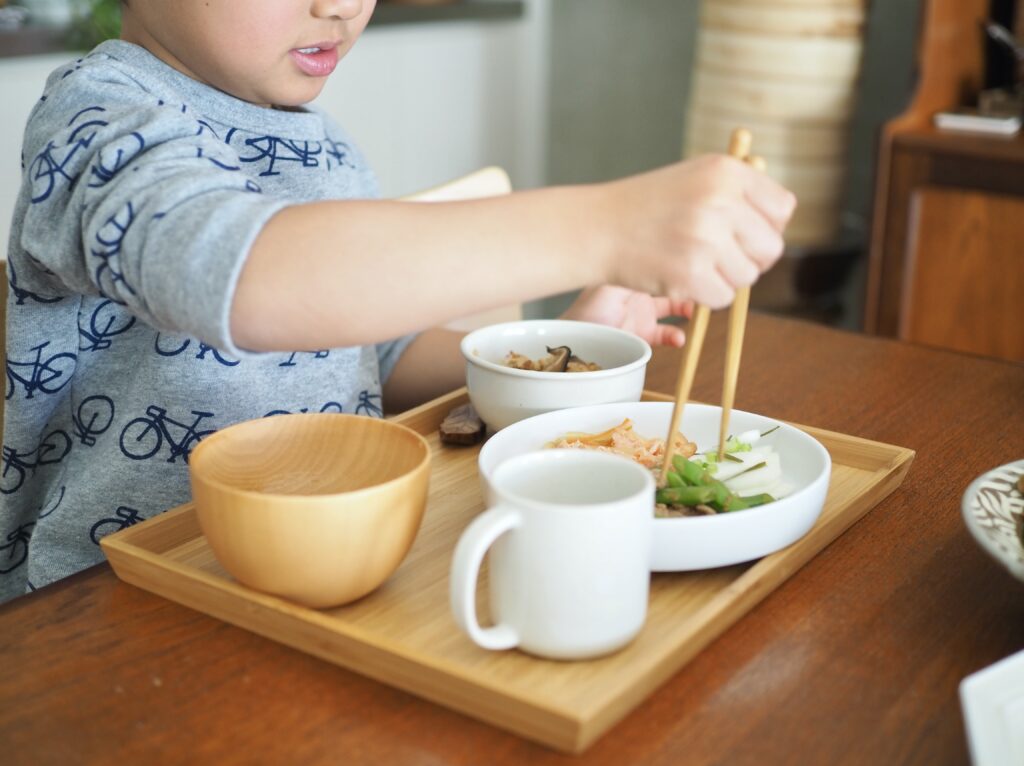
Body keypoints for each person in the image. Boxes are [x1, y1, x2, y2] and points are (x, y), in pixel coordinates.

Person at [0, 0, 796, 603]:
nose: (341, 6)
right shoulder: (98, 118)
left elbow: (372, 357)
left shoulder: (322, 143)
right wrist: (603, 224)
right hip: (124, 596)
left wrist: (553, 353)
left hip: (328, 564)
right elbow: (241, 274)